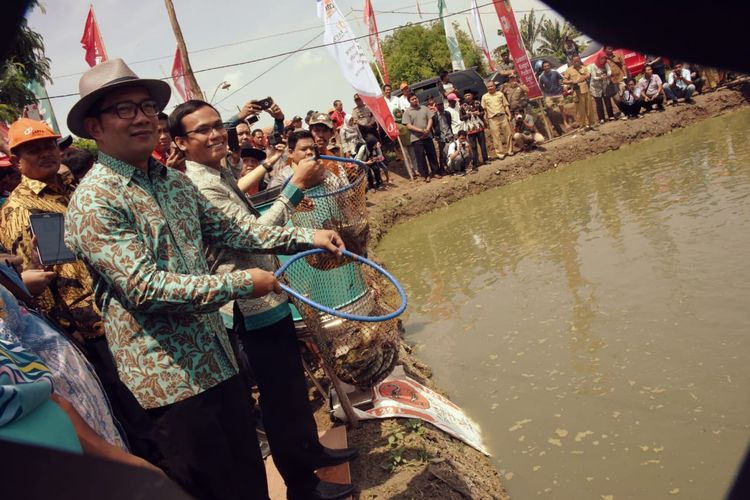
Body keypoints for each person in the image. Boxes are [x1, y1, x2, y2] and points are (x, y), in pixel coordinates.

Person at [62, 58, 345, 500]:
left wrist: (309, 235)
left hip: (217, 357)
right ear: (94, 128)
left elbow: (241, 230)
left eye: (146, 107)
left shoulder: (175, 184)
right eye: (124, 109)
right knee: (212, 488)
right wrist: (239, 284)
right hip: (169, 379)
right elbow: (145, 287)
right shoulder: (94, 201)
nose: (141, 117)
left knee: (249, 477)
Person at [174, 100, 356, 500]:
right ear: (181, 144)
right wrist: (294, 189)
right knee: (279, 401)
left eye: (216, 125)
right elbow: (250, 235)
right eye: (201, 130)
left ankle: (311, 451)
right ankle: (302, 486)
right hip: (246, 306)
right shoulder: (201, 185)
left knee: (292, 387)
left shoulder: (217, 173)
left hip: (268, 296)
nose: (215, 134)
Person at [403, 93, 440, 182]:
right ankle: (425, 175)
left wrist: (427, 129)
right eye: (412, 99)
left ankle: (435, 172)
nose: (415, 100)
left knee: (432, 154)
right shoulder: (407, 112)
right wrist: (421, 130)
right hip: (416, 138)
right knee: (420, 157)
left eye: (415, 98)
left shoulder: (424, 108)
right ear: (409, 101)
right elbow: (408, 126)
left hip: (427, 136)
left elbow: (430, 118)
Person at [481, 80, 512, 160]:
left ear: (495, 86)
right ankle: (500, 154)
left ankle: (510, 151)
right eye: (488, 87)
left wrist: (509, 114)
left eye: (492, 86)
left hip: (503, 116)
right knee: (496, 137)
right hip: (492, 119)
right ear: (486, 88)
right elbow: (485, 110)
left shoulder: (500, 94)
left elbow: (505, 105)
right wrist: (485, 119)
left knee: (508, 134)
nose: (490, 88)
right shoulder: (484, 97)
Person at [563, 55, 597, 131]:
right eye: (574, 61)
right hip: (576, 92)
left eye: (577, 61)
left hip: (585, 90)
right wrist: (572, 81)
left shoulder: (584, 68)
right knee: (580, 111)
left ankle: (592, 124)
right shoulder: (568, 70)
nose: (576, 62)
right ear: (572, 61)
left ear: (579, 60)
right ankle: (583, 126)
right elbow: (564, 80)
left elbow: (588, 75)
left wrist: (582, 78)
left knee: (589, 108)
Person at [459, 89, 488, 169]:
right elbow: (461, 118)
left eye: (469, 95)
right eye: (466, 96)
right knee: (473, 146)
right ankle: (475, 162)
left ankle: (486, 159)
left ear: (472, 95)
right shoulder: (462, 106)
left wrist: (479, 113)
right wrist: (468, 115)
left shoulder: (477, 103)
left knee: (482, 144)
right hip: (470, 128)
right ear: (464, 97)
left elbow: (483, 112)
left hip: (479, 126)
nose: (467, 97)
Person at [538, 60, 567, 135]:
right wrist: (545, 93)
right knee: (549, 108)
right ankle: (553, 124)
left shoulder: (555, 72)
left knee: (562, 108)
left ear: (549, 66)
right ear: (543, 68)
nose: (547, 67)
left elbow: (563, 78)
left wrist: (564, 86)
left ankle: (565, 122)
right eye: (545, 66)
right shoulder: (541, 76)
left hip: (558, 92)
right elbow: (541, 87)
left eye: (548, 66)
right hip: (549, 95)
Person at [589, 54, 616, 123]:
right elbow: (593, 76)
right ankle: (601, 118)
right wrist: (600, 77)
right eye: (602, 59)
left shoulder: (606, 64)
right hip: (596, 87)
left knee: (607, 100)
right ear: (599, 58)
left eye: (604, 59)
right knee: (599, 102)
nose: (603, 60)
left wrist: (607, 75)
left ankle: (611, 116)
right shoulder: (593, 66)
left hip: (604, 85)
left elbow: (609, 71)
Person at [431, 97, 454, 172]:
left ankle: (452, 167)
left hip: (449, 134)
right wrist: (436, 136)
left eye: (441, 104)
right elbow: (433, 126)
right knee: (442, 153)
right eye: (438, 105)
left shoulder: (447, 113)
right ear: (436, 106)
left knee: (451, 151)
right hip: (441, 137)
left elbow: (449, 123)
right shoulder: (434, 116)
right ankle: (442, 168)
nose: (440, 106)